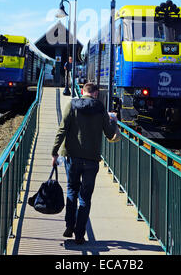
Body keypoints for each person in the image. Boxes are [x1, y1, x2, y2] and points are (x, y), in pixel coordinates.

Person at [51, 82, 118, 245]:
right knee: (85, 197)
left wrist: (54, 152)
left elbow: (62, 129)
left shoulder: (72, 105)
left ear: (83, 92)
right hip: (92, 160)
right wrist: (113, 120)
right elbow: (110, 134)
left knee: (72, 189)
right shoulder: (100, 108)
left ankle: (69, 225)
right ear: (95, 94)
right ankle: (80, 234)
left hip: (72, 157)